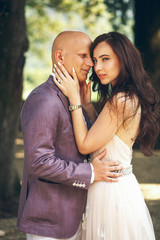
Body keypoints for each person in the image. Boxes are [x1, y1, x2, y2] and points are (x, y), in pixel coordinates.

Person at [17, 31, 124, 240]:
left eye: (90, 58)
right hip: (50, 221)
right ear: (60, 57)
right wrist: (90, 173)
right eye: (83, 56)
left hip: (78, 217)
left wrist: (86, 105)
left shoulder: (75, 95)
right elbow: (39, 162)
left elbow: (89, 141)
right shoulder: (44, 100)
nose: (91, 64)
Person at [53, 31, 159, 239]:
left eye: (105, 59)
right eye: (94, 60)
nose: (97, 67)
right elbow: (107, 136)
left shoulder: (121, 100)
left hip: (112, 192)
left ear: (124, 59)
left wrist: (74, 99)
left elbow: (85, 145)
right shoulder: (125, 95)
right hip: (112, 186)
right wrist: (87, 105)